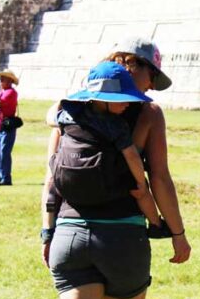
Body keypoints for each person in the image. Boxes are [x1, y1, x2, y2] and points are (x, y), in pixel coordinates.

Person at [41, 38, 191, 299]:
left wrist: (47, 232)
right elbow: (158, 177)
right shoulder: (148, 114)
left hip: (69, 234)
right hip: (124, 238)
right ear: (130, 65)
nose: (147, 90)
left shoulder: (66, 108)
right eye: (148, 77)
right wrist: (177, 233)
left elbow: (50, 179)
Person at [54, 63, 162, 228]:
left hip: (68, 190)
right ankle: (156, 224)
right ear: (104, 99)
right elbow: (131, 155)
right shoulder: (116, 125)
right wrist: (140, 182)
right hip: (107, 193)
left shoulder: (70, 115)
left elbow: (50, 118)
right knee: (142, 191)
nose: (127, 104)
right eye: (122, 99)